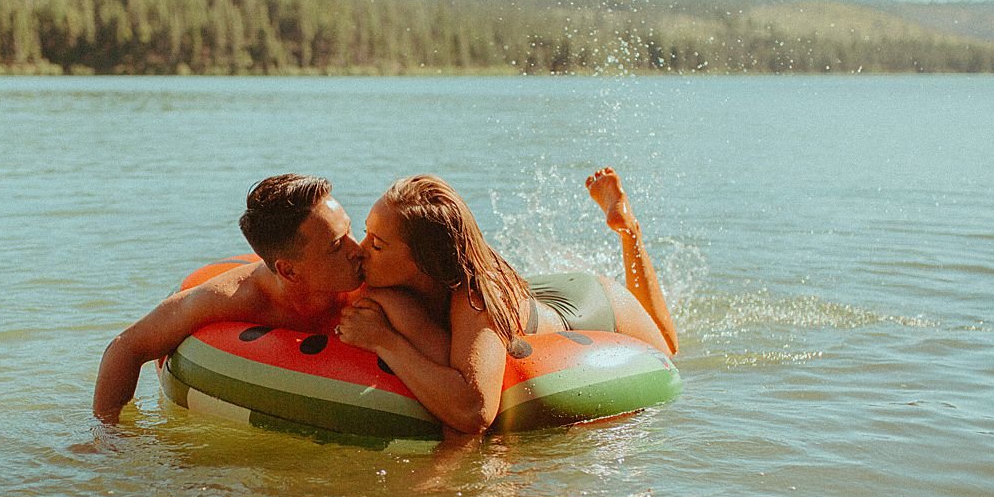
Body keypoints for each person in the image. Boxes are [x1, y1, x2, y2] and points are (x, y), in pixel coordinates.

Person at [336, 166, 678, 437]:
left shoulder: (475, 298)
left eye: (377, 244)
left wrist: (386, 341)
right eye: (367, 231)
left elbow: (476, 411)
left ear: (425, 263)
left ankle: (628, 230)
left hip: (590, 303)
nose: (360, 250)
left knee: (670, 350)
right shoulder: (400, 281)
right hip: (536, 292)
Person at [92, 173, 364, 423]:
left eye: (349, 229)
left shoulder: (376, 278)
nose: (358, 248)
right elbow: (126, 348)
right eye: (337, 245)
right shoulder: (237, 298)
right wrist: (109, 438)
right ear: (288, 270)